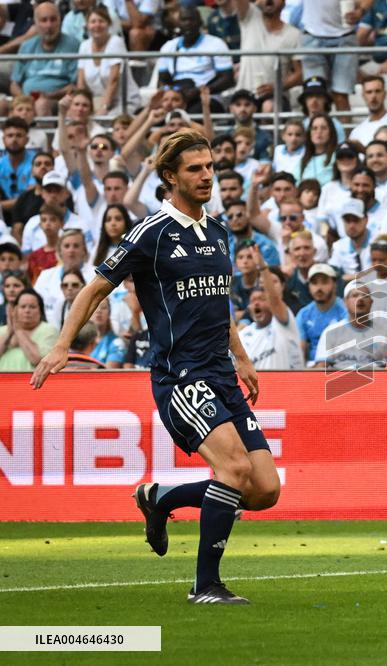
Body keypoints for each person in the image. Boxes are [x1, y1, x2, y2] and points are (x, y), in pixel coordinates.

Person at [32, 130, 281, 605]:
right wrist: (63, 345)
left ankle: (160, 497)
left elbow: (217, 302)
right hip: (180, 375)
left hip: (222, 374)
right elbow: (94, 289)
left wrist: (242, 357)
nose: (207, 175)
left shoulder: (218, 230)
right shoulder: (151, 232)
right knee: (233, 469)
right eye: (195, 169)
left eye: (210, 166)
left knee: (265, 489)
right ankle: (205, 586)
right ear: (169, 177)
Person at [0, 289, 58, 371]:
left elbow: (38, 360)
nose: (27, 310)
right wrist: (9, 332)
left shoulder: (49, 331)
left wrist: (18, 331)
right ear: (15, 310)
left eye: (32, 307)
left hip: (32, 382)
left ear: (40, 311)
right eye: (23, 307)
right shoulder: (2, 330)